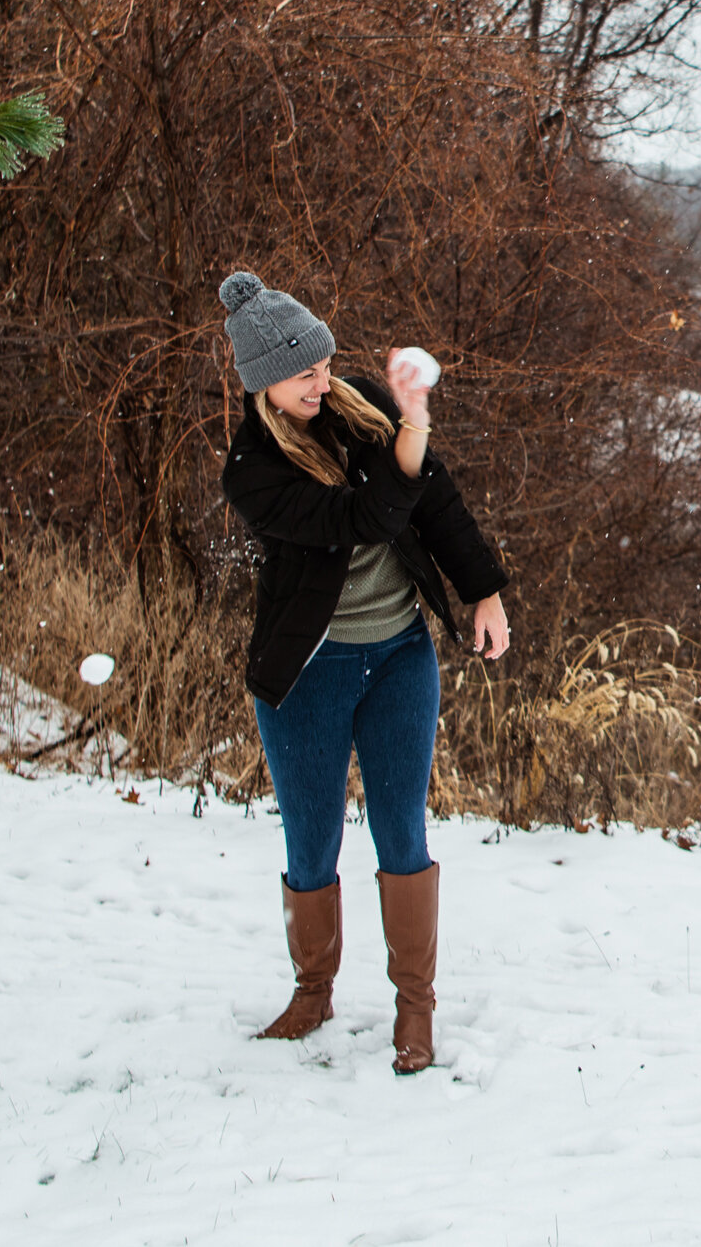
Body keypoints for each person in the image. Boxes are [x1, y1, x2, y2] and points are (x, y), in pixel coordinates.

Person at [217, 270, 511, 1075]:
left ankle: (415, 1008)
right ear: (260, 382)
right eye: (302, 373)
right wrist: (411, 429)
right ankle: (314, 991)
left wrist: (483, 589)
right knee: (310, 845)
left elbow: (432, 499)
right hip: (308, 673)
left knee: (402, 832)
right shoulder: (252, 471)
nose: (321, 382)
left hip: (399, 658)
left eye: (324, 364)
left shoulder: (351, 403)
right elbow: (365, 517)